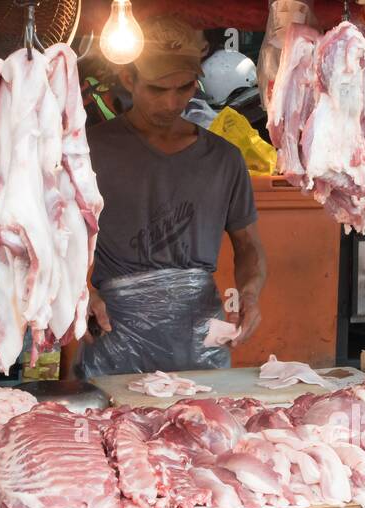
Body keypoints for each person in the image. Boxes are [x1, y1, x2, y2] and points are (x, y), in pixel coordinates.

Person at [64, 14, 268, 378]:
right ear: (129, 79)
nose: (172, 102)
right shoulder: (90, 151)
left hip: (199, 337)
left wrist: (248, 296)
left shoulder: (223, 159)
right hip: (116, 332)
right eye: (158, 89)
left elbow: (248, 244)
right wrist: (80, 292)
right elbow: (57, 239)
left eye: (185, 87)